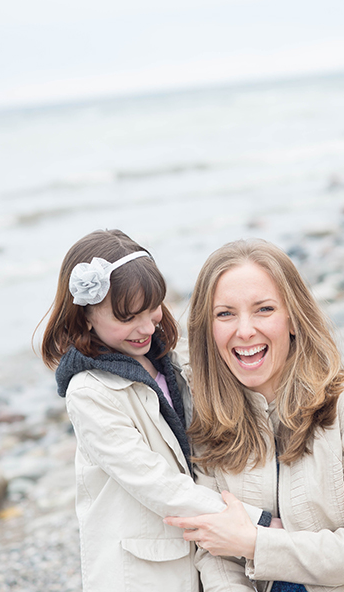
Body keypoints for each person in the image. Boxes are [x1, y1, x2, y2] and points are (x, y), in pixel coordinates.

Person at [164, 239, 344, 592]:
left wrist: (255, 544)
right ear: (208, 328)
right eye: (225, 313)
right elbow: (213, 549)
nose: (244, 330)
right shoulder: (208, 419)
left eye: (264, 309)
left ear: (293, 318)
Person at [39, 229, 270, 592]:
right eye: (128, 318)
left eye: (152, 310)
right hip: (140, 572)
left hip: (197, 550)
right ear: (85, 316)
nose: (147, 327)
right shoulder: (89, 392)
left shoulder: (165, 363)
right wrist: (257, 523)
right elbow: (155, 482)